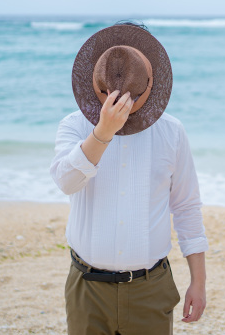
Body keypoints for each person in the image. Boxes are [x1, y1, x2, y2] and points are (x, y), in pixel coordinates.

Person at [51, 23, 207, 335]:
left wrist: (199, 283)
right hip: (88, 289)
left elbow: (187, 207)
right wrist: (102, 133)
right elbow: (66, 182)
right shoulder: (74, 126)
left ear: (151, 81)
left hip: (151, 287)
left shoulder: (172, 131)